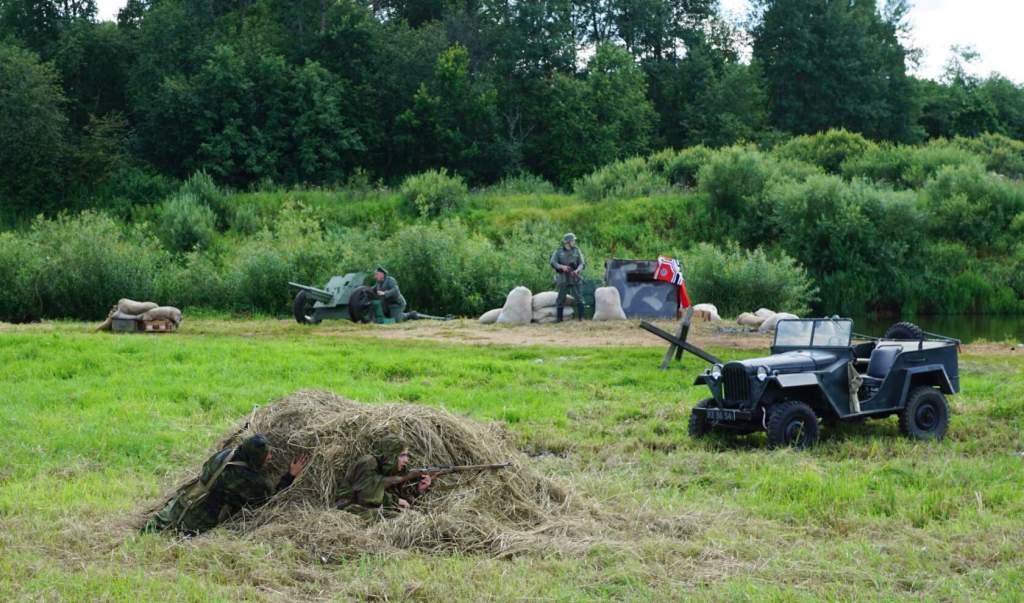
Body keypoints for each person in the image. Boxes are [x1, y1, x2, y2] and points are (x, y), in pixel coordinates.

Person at [143, 434, 307, 535]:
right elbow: (270, 501)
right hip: (200, 519)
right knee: (179, 532)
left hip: (185, 499)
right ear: (256, 459)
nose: (271, 456)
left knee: (157, 526)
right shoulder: (251, 481)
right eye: (267, 454)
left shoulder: (226, 454)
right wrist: (289, 476)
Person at [334, 435, 432, 520]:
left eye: (407, 455)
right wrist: (395, 501)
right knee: (401, 518)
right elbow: (366, 497)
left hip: (369, 510)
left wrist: (420, 490)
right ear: (390, 455)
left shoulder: (388, 469)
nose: (406, 460)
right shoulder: (368, 462)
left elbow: (402, 500)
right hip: (350, 510)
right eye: (402, 455)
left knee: (409, 516)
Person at [549, 233, 585, 322]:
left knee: (579, 298)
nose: (574, 242)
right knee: (561, 299)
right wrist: (562, 267)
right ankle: (559, 320)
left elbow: (582, 263)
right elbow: (553, 262)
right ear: (568, 242)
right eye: (573, 240)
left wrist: (577, 270)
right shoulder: (558, 251)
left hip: (574, 276)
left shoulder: (577, 251)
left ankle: (581, 318)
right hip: (563, 277)